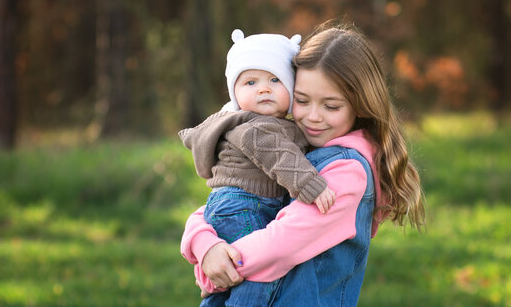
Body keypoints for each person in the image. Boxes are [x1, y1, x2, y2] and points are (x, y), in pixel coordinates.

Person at [181, 24, 426, 306]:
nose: (312, 117)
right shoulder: (293, 150)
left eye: (331, 106)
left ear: (360, 105)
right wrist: (203, 243)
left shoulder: (347, 173)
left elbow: (280, 245)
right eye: (301, 100)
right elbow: (225, 202)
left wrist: (213, 271)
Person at [179, 29, 337, 307]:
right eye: (251, 82)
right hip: (246, 206)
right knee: (258, 277)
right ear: (235, 92)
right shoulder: (255, 127)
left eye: (275, 80)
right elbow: (278, 157)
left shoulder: (266, 124)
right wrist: (310, 184)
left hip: (229, 206)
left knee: (228, 281)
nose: (263, 88)